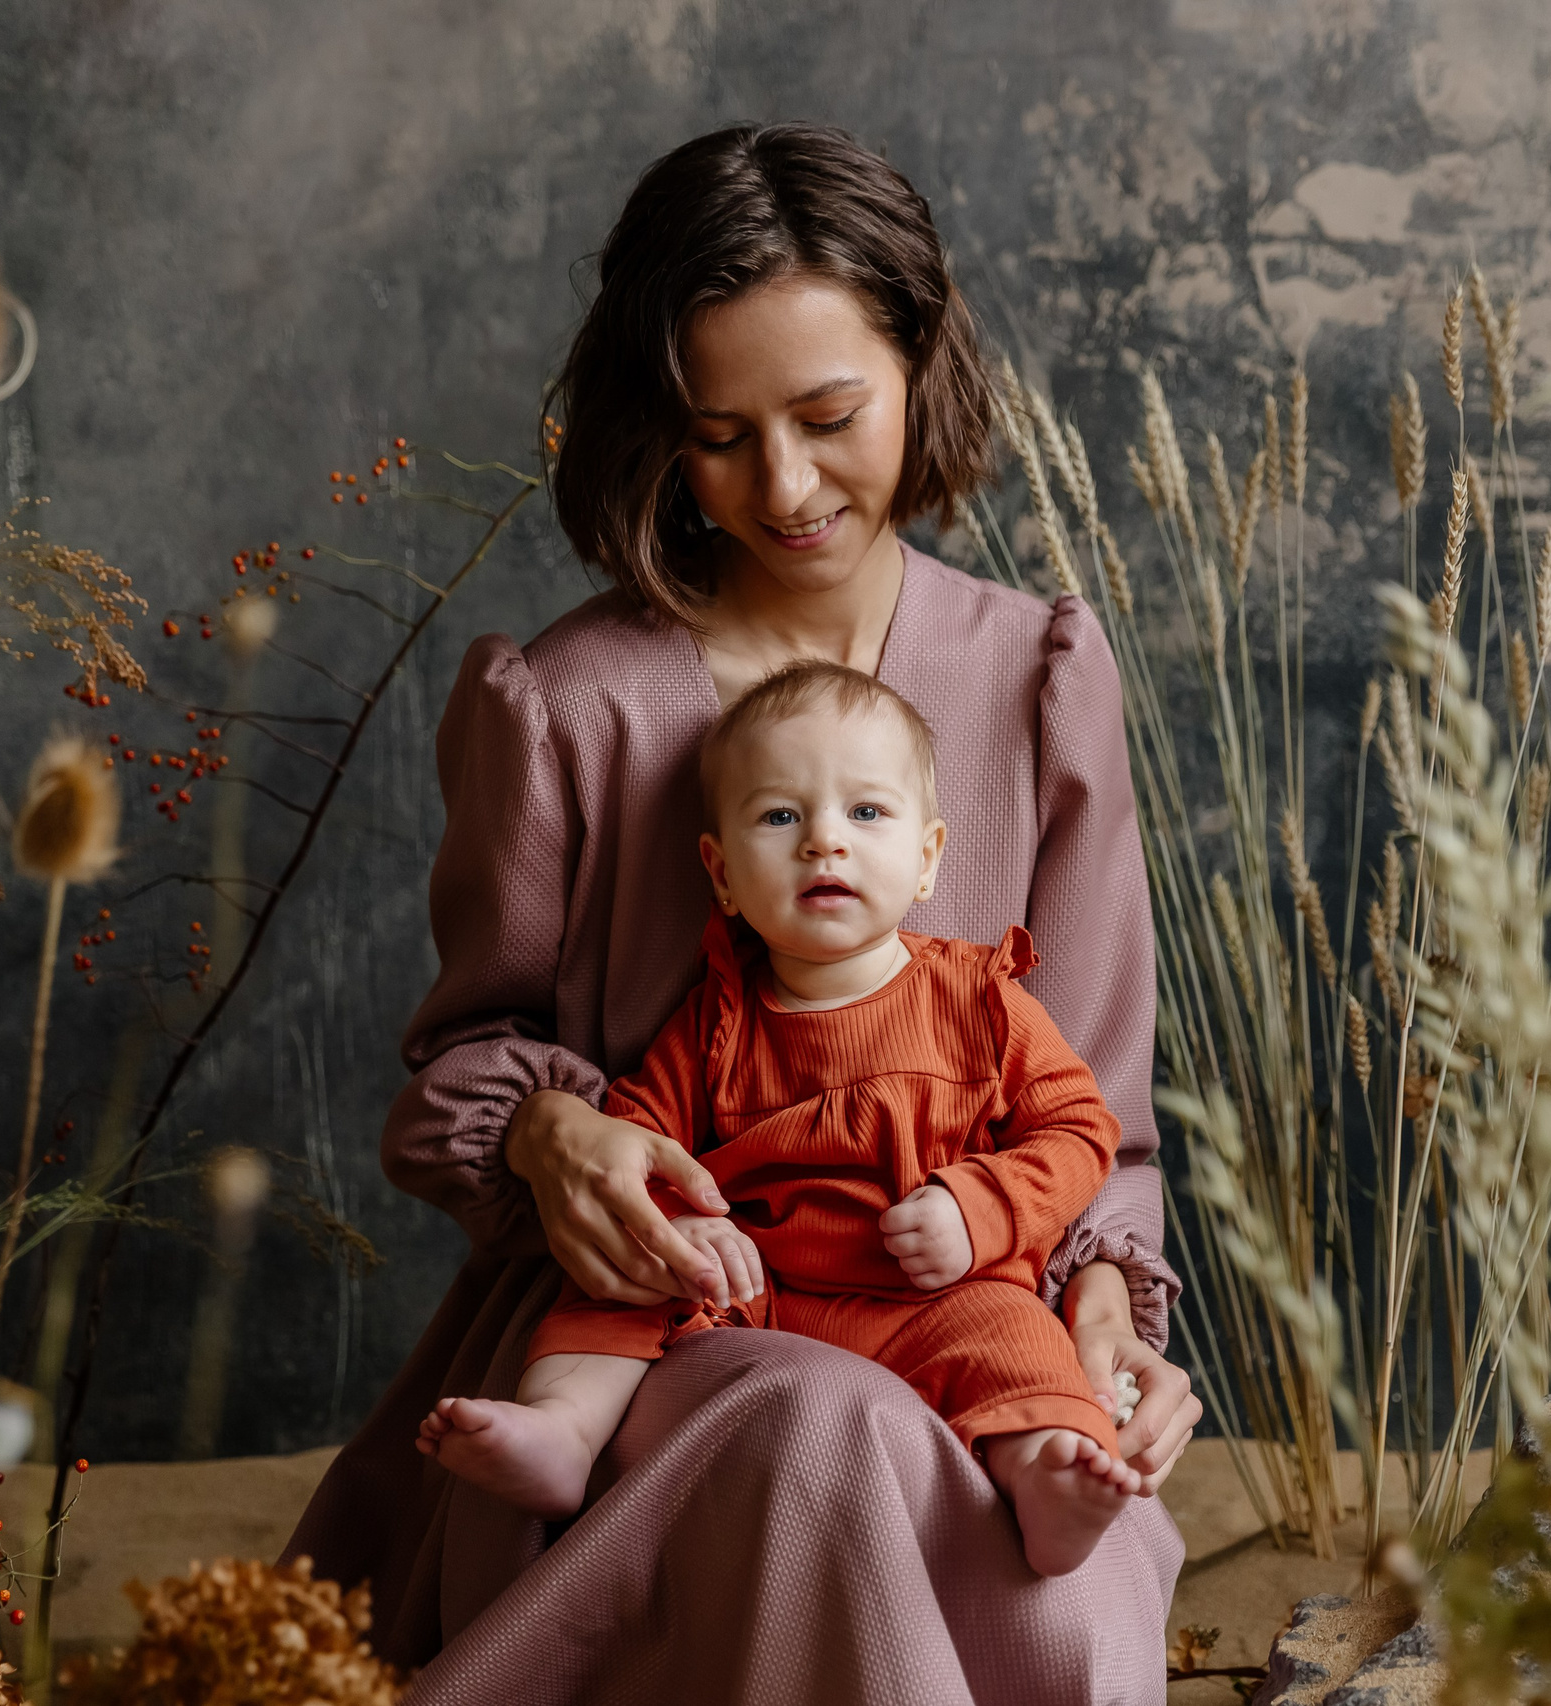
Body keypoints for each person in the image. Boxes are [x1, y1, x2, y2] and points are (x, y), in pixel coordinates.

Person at [279, 120, 1202, 1705]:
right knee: (822, 1433)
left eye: (830, 415)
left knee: (1046, 1621)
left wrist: (1108, 1316)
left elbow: (1097, 1122)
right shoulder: (567, 707)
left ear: (924, 361)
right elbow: (455, 1076)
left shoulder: (1041, 677)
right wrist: (552, 1139)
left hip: (976, 1316)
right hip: (679, 1330)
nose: (782, 486)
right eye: (719, 435)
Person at [418, 661, 1142, 1577]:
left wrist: (983, 1207)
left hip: (941, 1295)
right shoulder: (717, 1020)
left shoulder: (981, 1000)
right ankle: (562, 1428)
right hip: (759, 1295)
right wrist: (678, 1225)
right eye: (780, 817)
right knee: (617, 1287)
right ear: (720, 874)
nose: (823, 845)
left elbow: (1080, 1130)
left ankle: (1051, 1480)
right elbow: (641, 1147)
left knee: (1018, 1343)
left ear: (927, 860)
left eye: (866, 814)